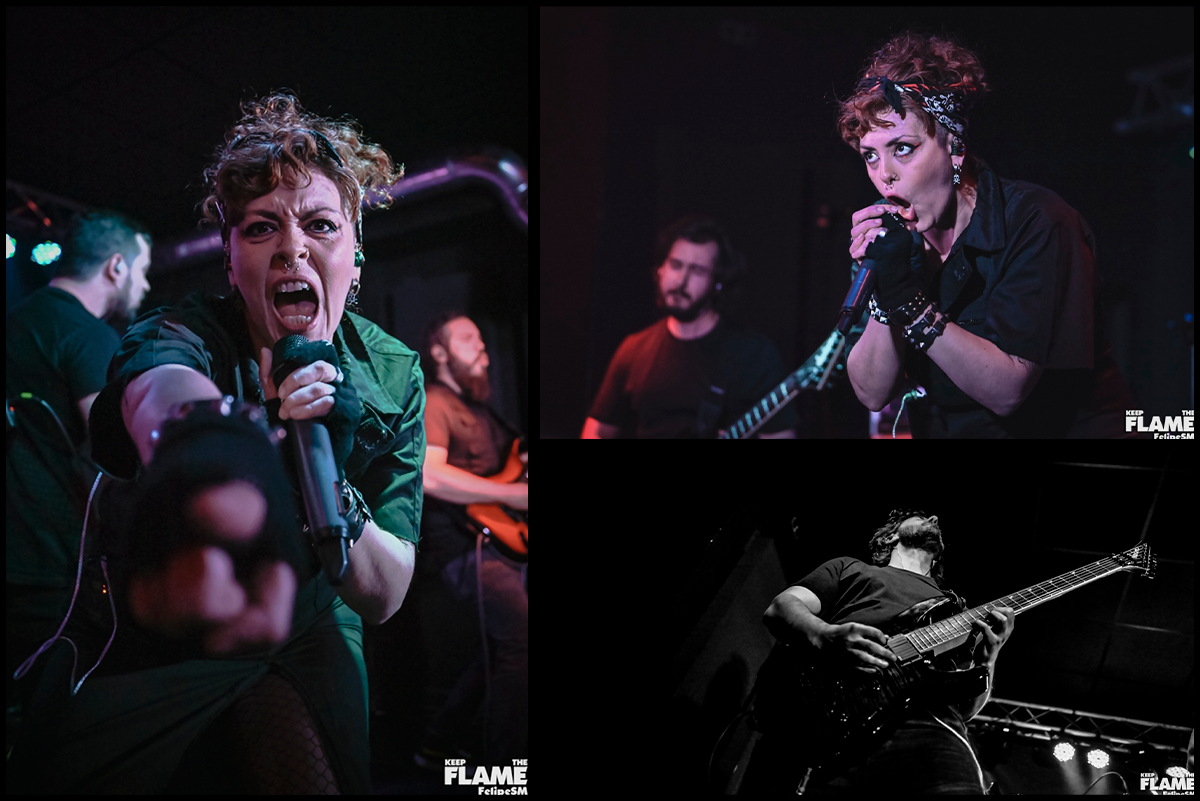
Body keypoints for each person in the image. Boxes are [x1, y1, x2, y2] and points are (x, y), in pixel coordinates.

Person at [9, 93, 418, 794]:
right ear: (231, 263)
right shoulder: (188, 330)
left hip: (317, 619)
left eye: (320, 224)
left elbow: (385, 593)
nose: (292, 246)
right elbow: (156, 386)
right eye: (261, 228)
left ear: (355, 252)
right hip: (178, 622)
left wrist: (338, 499)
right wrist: (223, 450)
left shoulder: (393, 370)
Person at [840, 31, 1140, 438]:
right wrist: (884, 294)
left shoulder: (1037, 221)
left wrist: (909, 305)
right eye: (871, 155)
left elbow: (1007, 390)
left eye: (903, 148)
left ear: (955, 148)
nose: (884, 174)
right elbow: (872, 392)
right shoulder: (895, 243)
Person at [752, 510, 1015, 794]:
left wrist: (989, 658)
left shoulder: (956, 611)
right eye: (920, 516)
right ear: (890, 536)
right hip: (832, 716)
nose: (935, 518)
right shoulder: (850, 568)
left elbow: (965, 709)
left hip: (930, 727)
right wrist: (824, 634)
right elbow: (781, 607)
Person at [6, 210, 151, 720]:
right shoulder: (89, 337)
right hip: (52, 568)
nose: (146, 283)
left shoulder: (16, 321)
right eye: (142, 269)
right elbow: (117, 450)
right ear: (116, 268)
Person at [415, 310, 528, 767]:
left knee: (502, 651)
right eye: (467, 338)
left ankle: (438, 742)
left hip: (501, 541)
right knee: (522, 642)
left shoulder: (484, 411)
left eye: (482, 338)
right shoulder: (437, 401)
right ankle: (506, 771)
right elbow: (431, 476)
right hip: (465, 547)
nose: (481, 346)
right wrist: (513, 493)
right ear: (439, 352)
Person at [582, 215, 797, 438]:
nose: (680, 281)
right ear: (660, 270)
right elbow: (596, 431)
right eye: (675, 265)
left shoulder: (754, 355)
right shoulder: (633, 349)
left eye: (697, 271)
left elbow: (780, 435)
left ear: (718, 283)